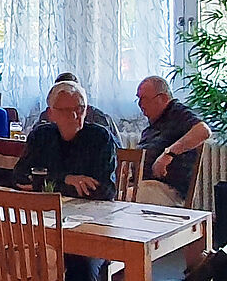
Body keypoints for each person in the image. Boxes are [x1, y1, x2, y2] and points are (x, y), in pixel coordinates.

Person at [12, 81, 115, 281]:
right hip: (44, 225)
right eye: (67, 110)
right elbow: (20, 178)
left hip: (89, 228)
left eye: (80, 109)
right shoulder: (41, 136)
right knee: (16, 252)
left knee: (80, 264)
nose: (76, 115)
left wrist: (45, 183)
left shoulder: (100, 137)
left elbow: (104, 190)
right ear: (52, 113)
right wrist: (67, 180)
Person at [135, 75, 212, 207]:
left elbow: (203, 130)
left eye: (144, 99)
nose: (140, 104)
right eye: (138, 99)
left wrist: (168, 154)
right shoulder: (153, 123)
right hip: (145, 185)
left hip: (166, 190)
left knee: (123, 198)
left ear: (163, 98)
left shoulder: (176, 112)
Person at [31, 72, 120, 142]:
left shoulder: (99, 125)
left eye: (78, 108)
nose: (73, 115)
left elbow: (118, 150)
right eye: (64, 110)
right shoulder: (43, 123)